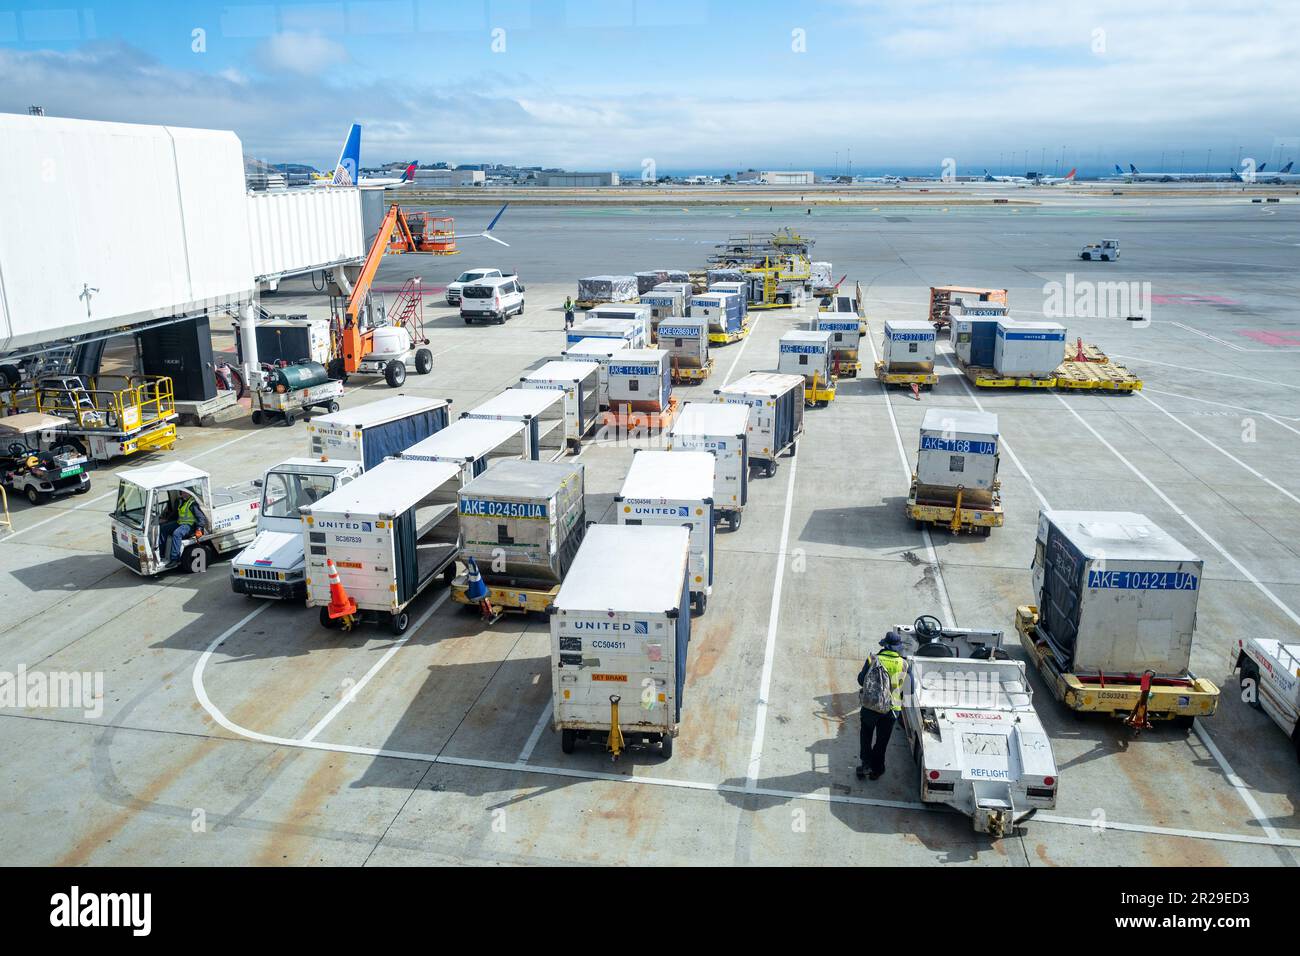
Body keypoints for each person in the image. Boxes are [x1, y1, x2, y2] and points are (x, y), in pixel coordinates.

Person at [856, 631, 906, 781]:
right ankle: (877, 770)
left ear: (884, 644)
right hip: (891, 710)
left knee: (866, 735)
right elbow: (910, 688)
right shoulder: (904, 663)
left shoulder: (873, 659)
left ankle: (865, 765)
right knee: (882, 741)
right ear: (898, 648)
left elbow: (860, 680)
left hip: (871, 707)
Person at [159, 490, 207, 563]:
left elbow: (201, 518)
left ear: (190, 493)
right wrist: (166, 520)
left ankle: (175, 558)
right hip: (180, 523)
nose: (184, 494)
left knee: (177, 533)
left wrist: (199, 529)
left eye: (186, 493)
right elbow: (175, 513)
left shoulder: (192, 504)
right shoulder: (181, 501)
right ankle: (161, 553)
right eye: (182, 493)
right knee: (163, 528)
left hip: (189, 526)